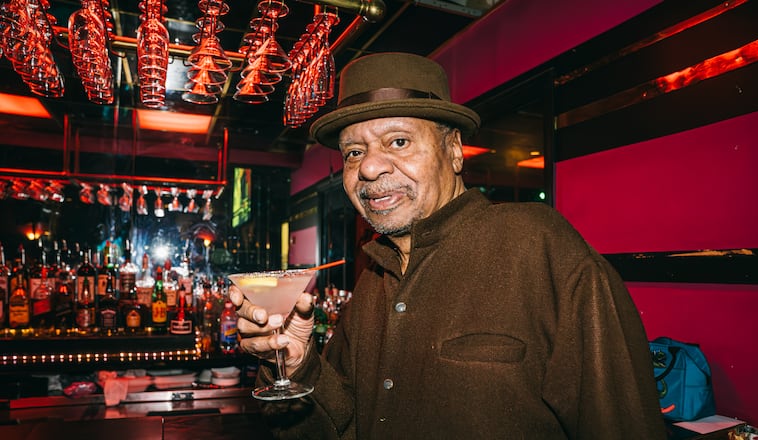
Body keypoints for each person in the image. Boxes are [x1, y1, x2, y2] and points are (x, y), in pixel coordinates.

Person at [230, 52, 666, 439]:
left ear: (454, 150)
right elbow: (336, 426)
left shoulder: (539, 247)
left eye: (398, 141)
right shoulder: (373, 282)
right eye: (354, 153)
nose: (371, 167)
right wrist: (298, 361)